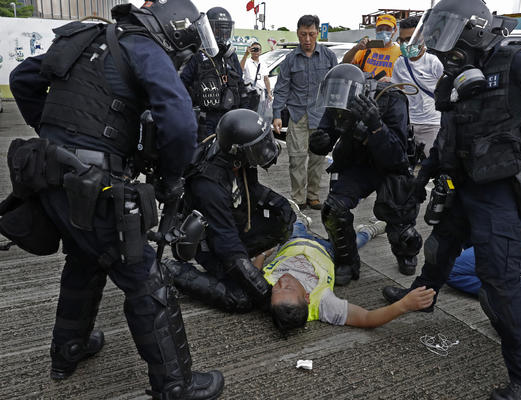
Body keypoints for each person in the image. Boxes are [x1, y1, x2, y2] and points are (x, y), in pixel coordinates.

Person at [380, 0, 521, 398]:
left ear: (475, 28)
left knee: (502, 282)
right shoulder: (459, 72)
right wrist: (424, 178)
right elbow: (451, 133)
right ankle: (424, 296)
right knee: (440, 247)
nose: (442, 44)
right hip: (463, 181)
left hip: (499, 189)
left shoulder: (519, 64)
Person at [6, 1, 225, 399]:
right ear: (172, 29)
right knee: (146, 281)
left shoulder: (84, 37)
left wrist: (58, 135)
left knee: (84, 260)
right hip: (96, 185)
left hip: (48, 174)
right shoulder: (145, 50)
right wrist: (173, 176)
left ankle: (68, 349)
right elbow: (179, 122)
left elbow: (22, 79)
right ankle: (175, 385)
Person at [167, 109, 296, 313]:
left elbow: (250, 188)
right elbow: (227, 244)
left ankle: (251, 258)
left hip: (232, 220)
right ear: (237, 150)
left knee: (282, 221)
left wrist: (279, 203)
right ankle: (172, 271)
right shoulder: (209, 184)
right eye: (257, 147)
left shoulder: (237, 157)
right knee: (242, 299)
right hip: (211, 244)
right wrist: (264, 294)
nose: (262, 150)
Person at [309, 63, 421, 284]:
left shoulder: (391, 98)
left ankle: (406, 252)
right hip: (359, 164)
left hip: (389, 164)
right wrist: (319, 142)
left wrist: (376, 126)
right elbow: (326, 134)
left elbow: (397, 155)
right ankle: (346, 260)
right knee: (334, 209)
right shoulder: (337, 99)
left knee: (400, 214)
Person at [256, 219, 435, 331]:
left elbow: (254, 273)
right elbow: (367, 319)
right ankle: (369, 230)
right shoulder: (322, 303)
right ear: (308, 298)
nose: (281, 281)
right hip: (327, 252)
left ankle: (301, 220)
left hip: (293, 242)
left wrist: (262, 255)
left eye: (276, 288)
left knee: (291, 221)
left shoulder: (266, 293)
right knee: (353, 242)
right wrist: (404, 305)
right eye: (287, 287)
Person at [272, 15, 338, 211]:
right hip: (297, 116)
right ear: (298, 33)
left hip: (321, 117)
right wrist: (276, 113)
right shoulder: (290, 59)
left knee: (318, 159)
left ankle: (313, 196)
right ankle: (298, 198)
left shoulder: (328, 56)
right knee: (297, 159)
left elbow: (334, 87)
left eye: (311, 34)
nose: (307, 39)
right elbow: (282, 88)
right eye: (303, 35)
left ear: (317, 33)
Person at [446, 190, 521, 295]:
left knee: (450, 271)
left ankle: (513, 291)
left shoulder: (506, 176)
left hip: (520, 251)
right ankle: (504, 279)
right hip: (499, 241)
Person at [180, 6, 249, 141]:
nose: (222, 34)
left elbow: (240, 85)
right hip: (205, 120)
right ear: (209, 30)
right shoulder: (198, 56)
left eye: (225, 30)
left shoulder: (231, 56)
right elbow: (182, 86)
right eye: (218, 30)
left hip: (230, 118)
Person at [391, 15, 444, 155]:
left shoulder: (434, 61)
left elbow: (448, 90)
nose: (404, 44)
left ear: (422, 38)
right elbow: (398, 89)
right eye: (401, 40)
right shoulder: (399, 63)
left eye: (409, 39)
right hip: (407, 124)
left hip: (433, 125)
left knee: (433, 167)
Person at [342, 14, 402, 82]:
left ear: (395, 30)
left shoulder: (400, 53)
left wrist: (392, 80)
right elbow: (346, 63)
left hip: (387, 90)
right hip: (366, 89)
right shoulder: (366, 48)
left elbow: (406, 78)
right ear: (375, 30)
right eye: (380, 29)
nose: (383, 32)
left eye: (388, 29)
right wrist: (356, 48)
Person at [240, 41, 273, 113]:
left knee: (259, 113)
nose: (255, 51)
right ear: (250, 50)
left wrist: (269, 93)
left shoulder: (263, 63)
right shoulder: (247, 61)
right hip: (249, 93)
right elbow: (240, 70)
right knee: (249, 113)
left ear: (260, 51)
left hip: (260, 93)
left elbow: (266, 79)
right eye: (253, 49)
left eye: (257, 49)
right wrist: (246, 54)